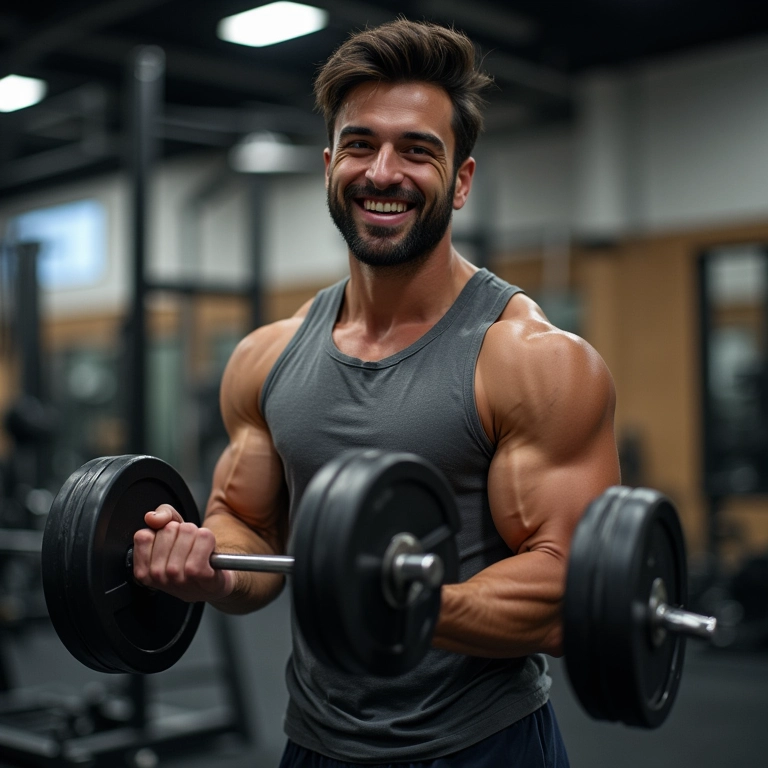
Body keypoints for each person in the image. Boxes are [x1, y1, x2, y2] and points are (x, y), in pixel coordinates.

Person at [132, 18, 620, 768]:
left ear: (460, 180)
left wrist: (395, 605)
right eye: (360, 144)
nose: (382, 172)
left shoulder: (534, 361)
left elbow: (569, 589)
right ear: (330, 163)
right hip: (315, 744)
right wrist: (207, 565)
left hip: (484, 746)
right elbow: (248, 530)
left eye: (417, 150)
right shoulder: (268, 356)